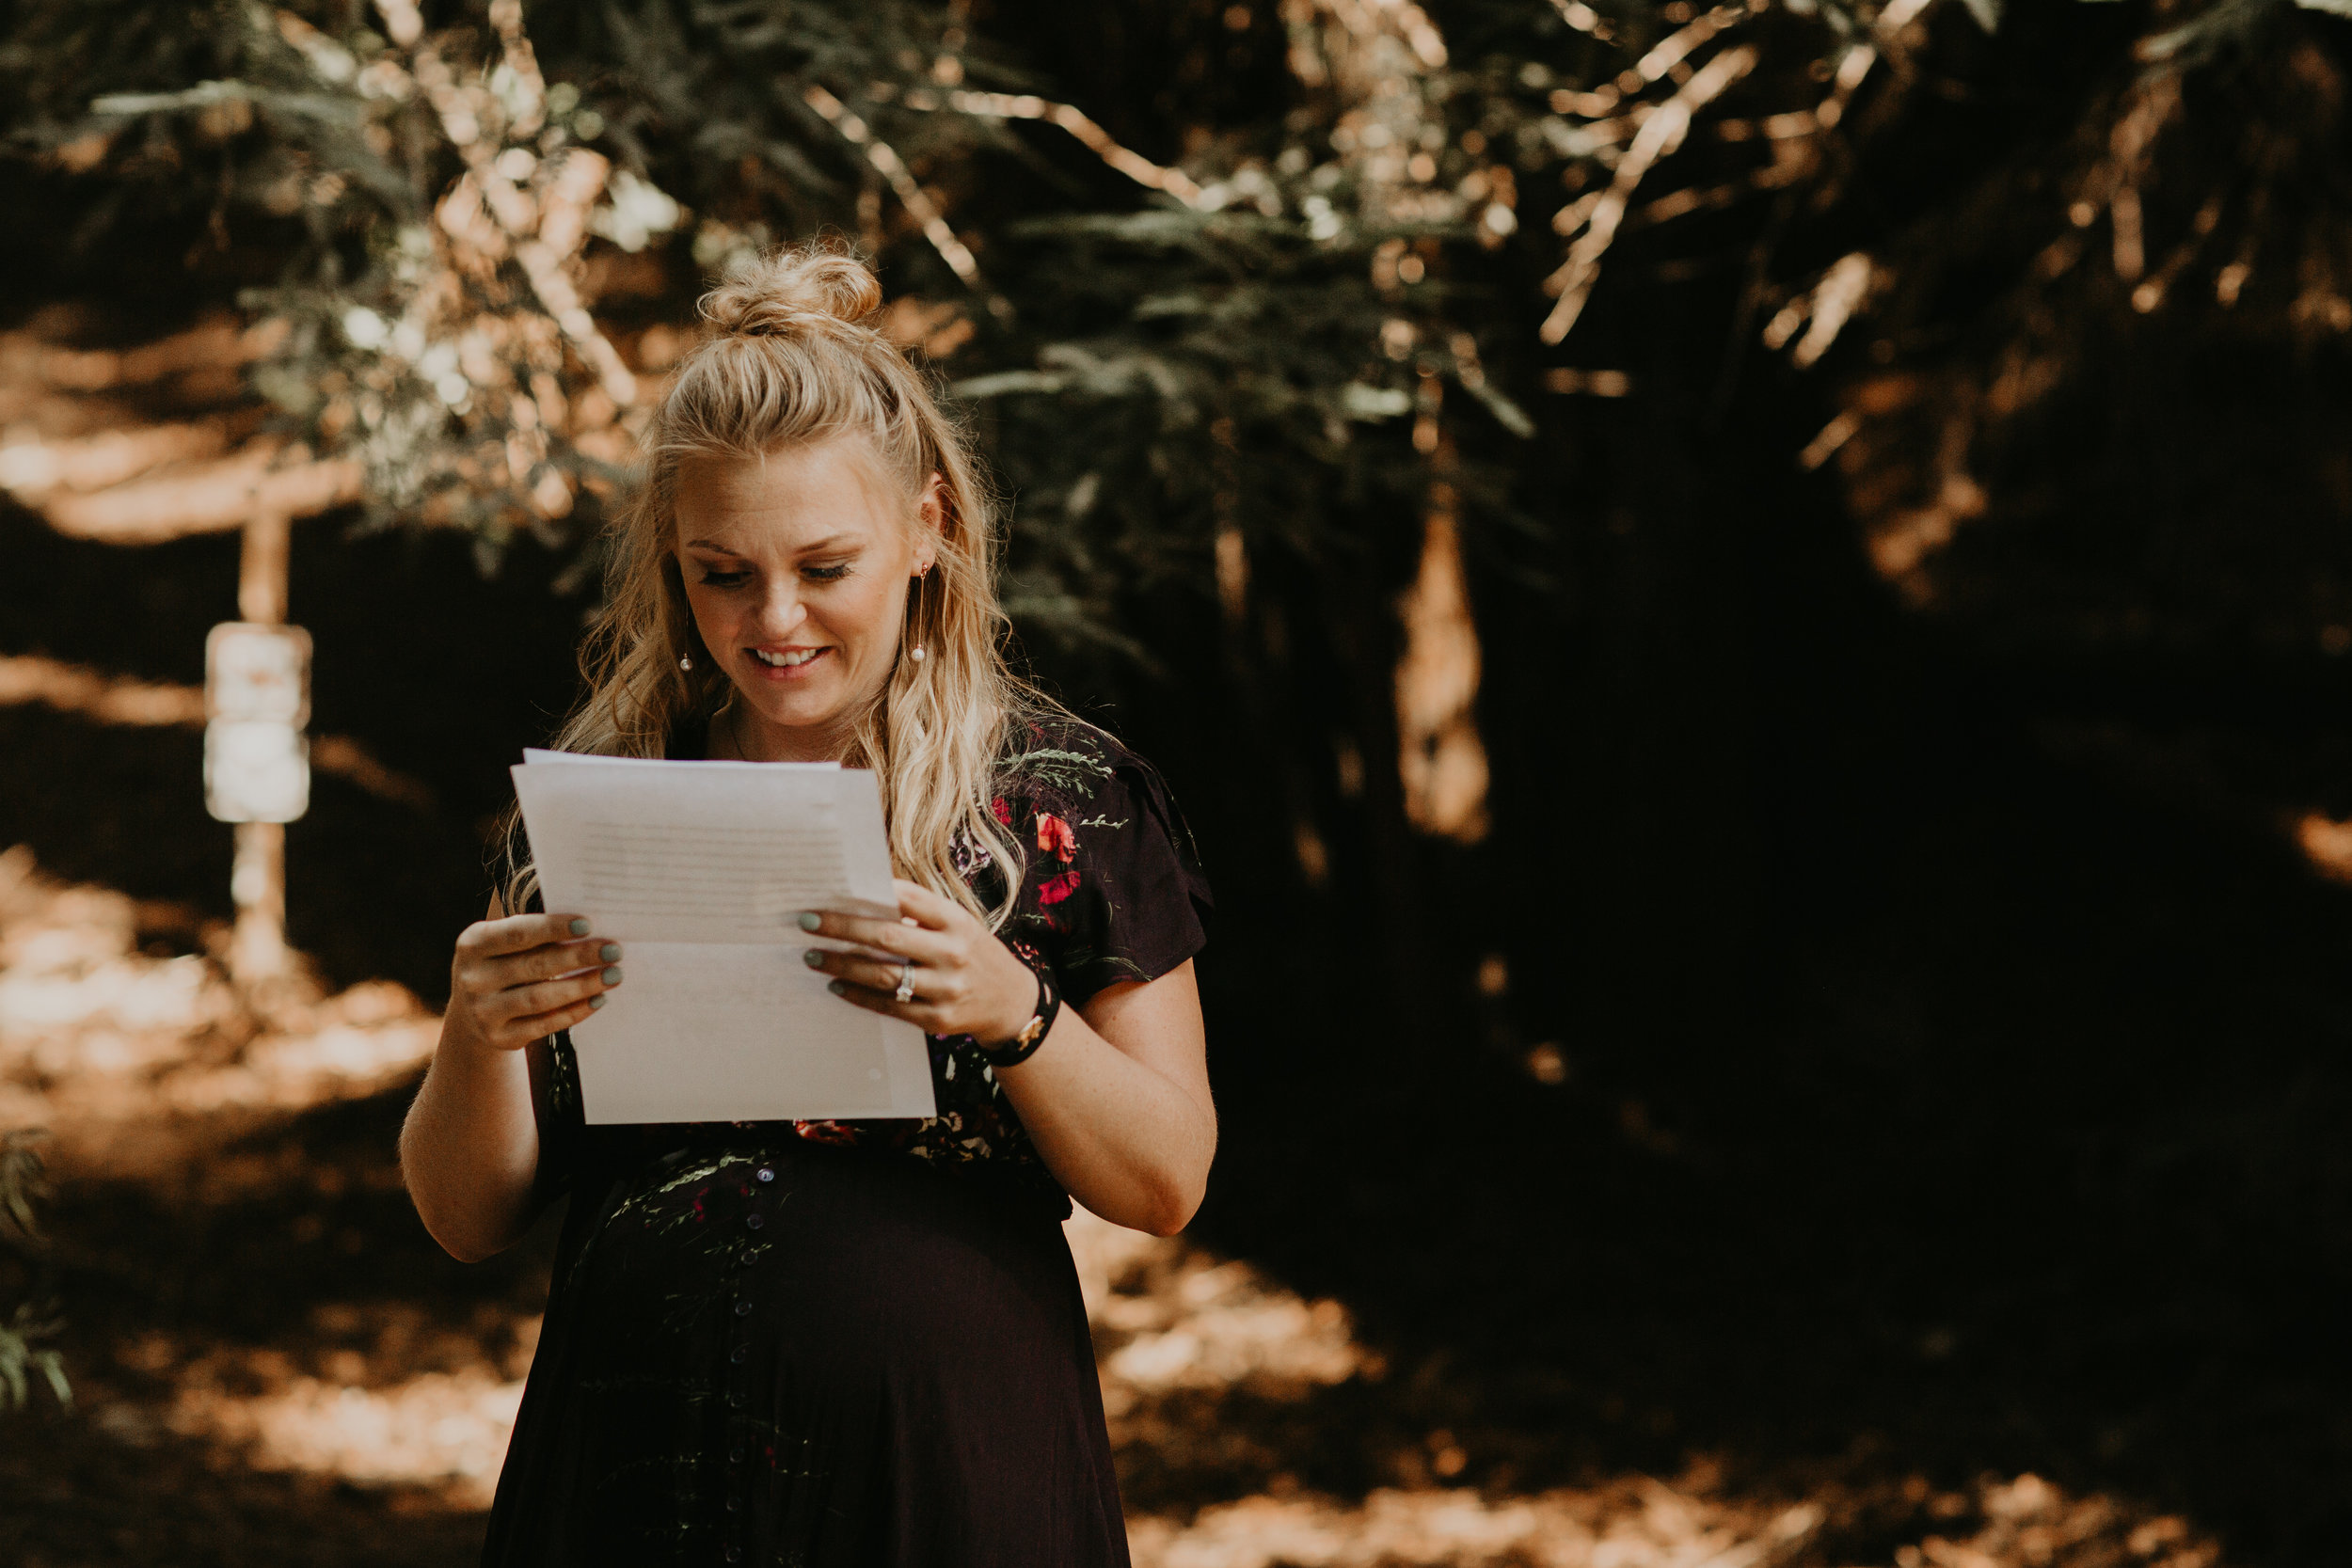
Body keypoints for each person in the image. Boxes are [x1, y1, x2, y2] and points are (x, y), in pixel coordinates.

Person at [397, 243, 1216, 1568]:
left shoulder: (1062, 799)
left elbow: (1171, 1178)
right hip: (633, 1468)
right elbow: (460, 1215)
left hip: (947, 1471)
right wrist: (475, 1031)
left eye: (825, 567)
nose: (774, 618)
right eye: (723, 573)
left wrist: (1017, 1016)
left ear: (929, 531)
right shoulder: (609, 800)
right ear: (674, 559)